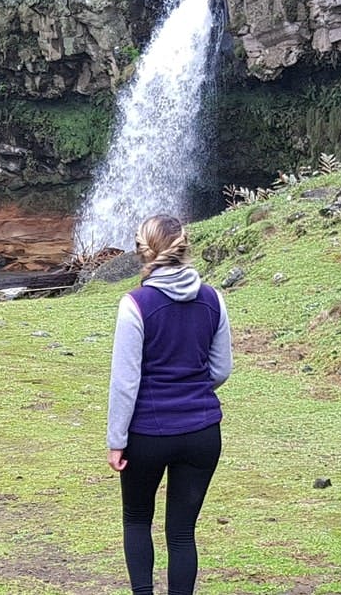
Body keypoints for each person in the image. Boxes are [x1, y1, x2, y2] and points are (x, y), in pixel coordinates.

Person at [107, 214, 233, 595]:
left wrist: (116, 440)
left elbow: (125, 383)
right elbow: (222, 369)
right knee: (181, 533)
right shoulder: (213, 298)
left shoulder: (136, 304)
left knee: (136, 520)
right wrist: (191, 388)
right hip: (202, 433)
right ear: (183, 245)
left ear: (142, 250)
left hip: (147, 433)